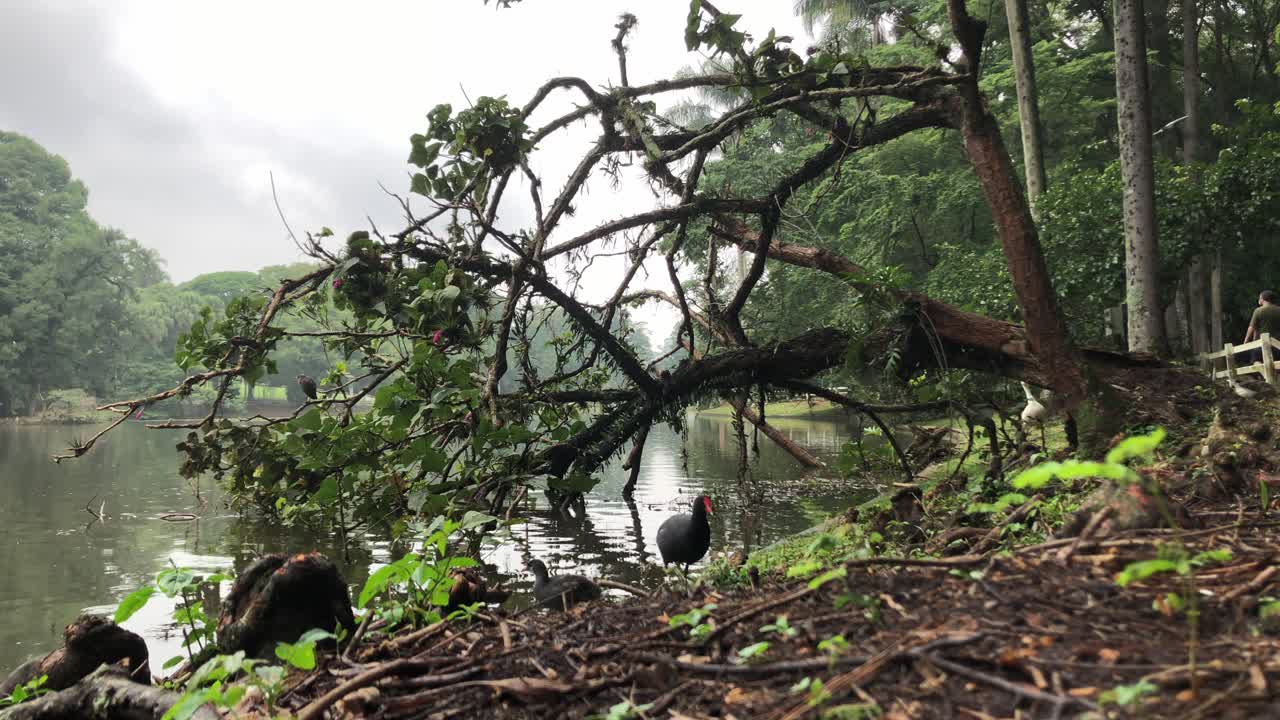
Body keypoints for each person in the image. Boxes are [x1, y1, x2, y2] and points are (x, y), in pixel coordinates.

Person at [1242, 290, 1280, 366]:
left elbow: (1252, 327)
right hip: (1278, 344)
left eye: (1259, 298)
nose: (1258, 300)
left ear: (1263, 299)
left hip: (1263, 345)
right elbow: (1256, 329)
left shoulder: (1258, 311)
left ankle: (1265, 372)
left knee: (1255, 361)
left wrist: (1246, 341)